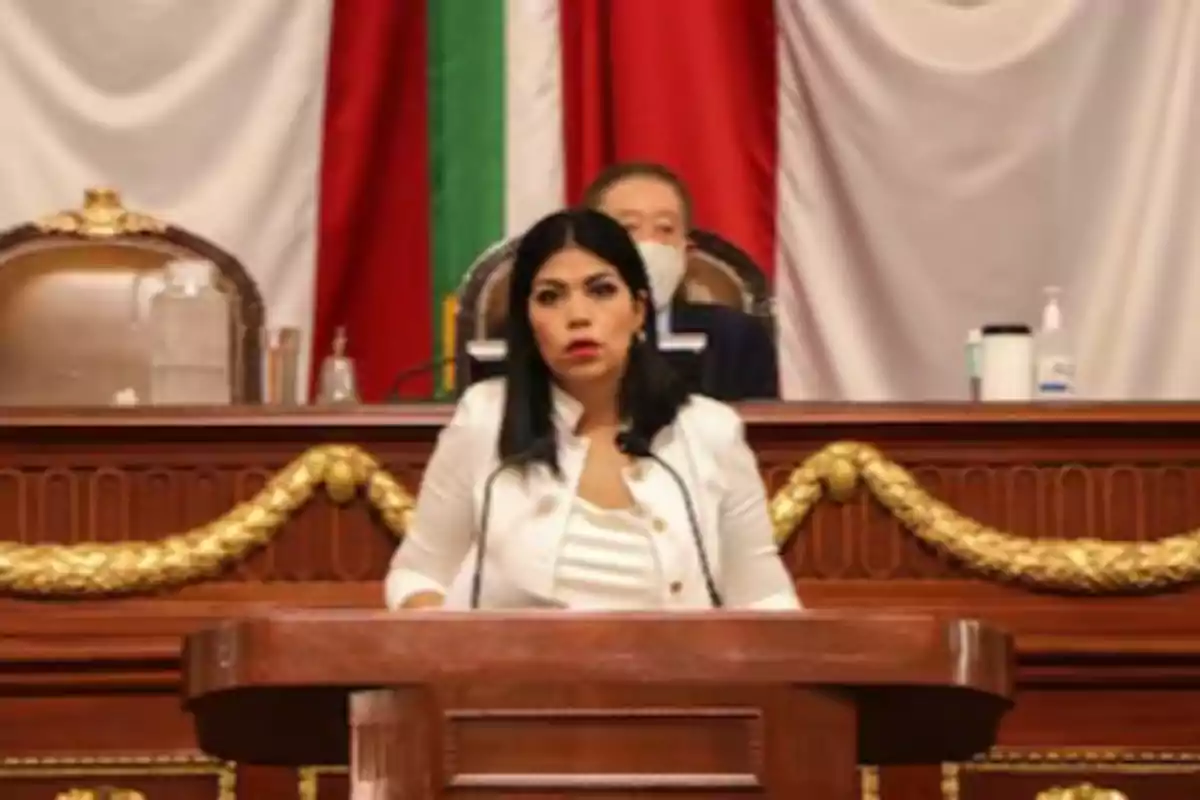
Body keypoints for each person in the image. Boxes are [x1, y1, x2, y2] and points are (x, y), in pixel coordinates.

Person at [384, 208, 799, 611]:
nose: (578, 316)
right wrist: (451, 656)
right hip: (510, 678)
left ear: (638, 310)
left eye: (601, 291)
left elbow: (766, 599)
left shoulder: (710, 430)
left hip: (672, 678)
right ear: (528, 321)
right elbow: (417, 577)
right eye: (550, 297)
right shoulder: (485, 418)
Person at [582, 161, 780, 401]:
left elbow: (763, 431)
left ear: (686, 250)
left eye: (665, 229)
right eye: (629, 227)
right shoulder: (561, 332)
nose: (649, 242)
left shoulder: (735, 337)